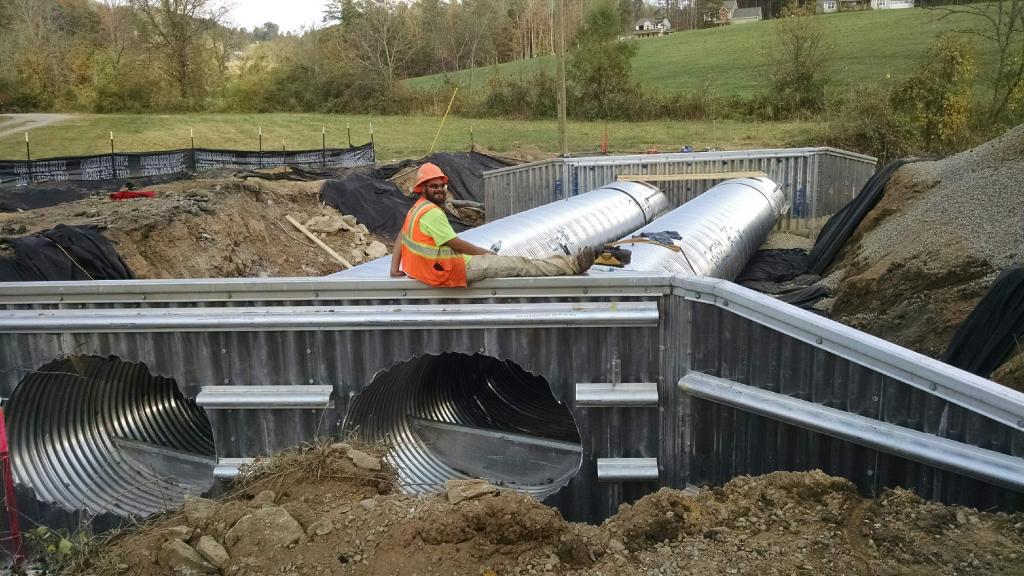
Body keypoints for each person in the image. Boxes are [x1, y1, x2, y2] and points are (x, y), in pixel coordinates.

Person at [390, 162, 594, 287]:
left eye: (441, 186)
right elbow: (457, 244)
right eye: (433, 186)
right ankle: (573, 265)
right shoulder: (432, 213)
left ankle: (566, 262)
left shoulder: (417, 209)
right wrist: (485, 253)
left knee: (519, 263)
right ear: (422, 189)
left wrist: (394, 268)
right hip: (449, 271)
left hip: (430, 270)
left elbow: (401, 234)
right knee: (519, 265)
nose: (439, 190)